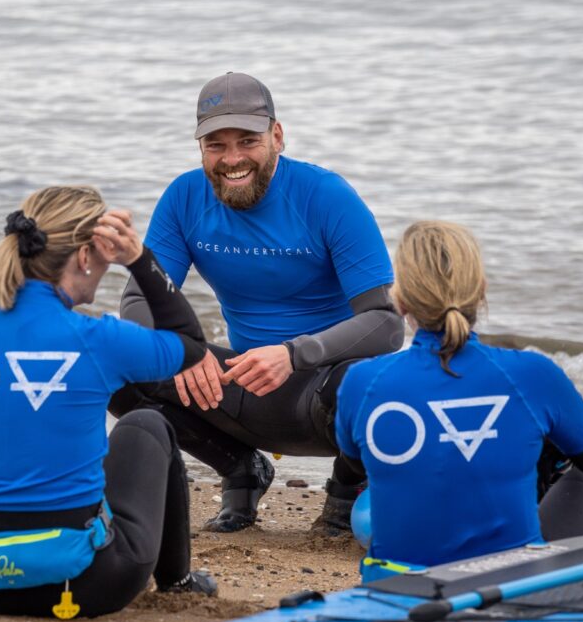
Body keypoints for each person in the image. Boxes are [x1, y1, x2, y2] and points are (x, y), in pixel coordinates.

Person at [0, 185, 217, 618]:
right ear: (85, 256)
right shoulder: (99, 340)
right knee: (146, 425)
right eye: (104, 256)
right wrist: (139, 258)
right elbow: (191, 345)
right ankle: (177, 581)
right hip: (85, 583)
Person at [111, 72, 404, 533]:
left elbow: (386, 325)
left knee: (371, 380)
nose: (232, 159)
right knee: (114, 361)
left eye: (247, 140)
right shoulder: (184, 197)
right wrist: (180, 350)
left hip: (326, 397)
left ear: (277, 136)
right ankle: (239, 471)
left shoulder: (326, 196)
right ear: (200, 147)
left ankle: (346, 494)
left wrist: (295, 354)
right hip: (238, 392)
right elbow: (138, 298)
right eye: (216, 145)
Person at [335, 220, 583, 577]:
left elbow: (354, 465)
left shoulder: (362, 380)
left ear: (401, 300)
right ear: (481, 290)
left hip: (393, 582)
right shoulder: (532, 374)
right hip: (507, 586)